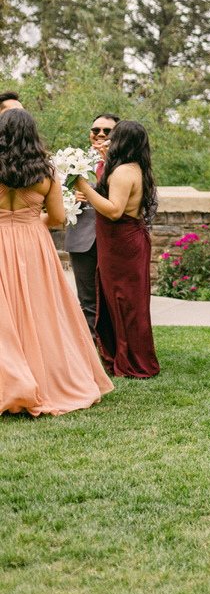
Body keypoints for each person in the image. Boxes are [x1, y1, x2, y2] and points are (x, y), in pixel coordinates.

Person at [0, 108, 114, 415]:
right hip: (33, 245)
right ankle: (44, 378)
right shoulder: (45, 171)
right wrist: (30, 220)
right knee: (39, 313)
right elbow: (59, 218)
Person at [76, 119, 159, 378]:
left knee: (125, 303)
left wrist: (85, 188)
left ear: (122, 140)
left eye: (114, 136)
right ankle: (126, 355)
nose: (106, 140)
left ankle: (133, 362)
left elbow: (113, 211)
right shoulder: (132, 167)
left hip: (122, 243)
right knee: (122, 301)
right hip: (120, 242)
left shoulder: (124, 172)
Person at [62, 112, 117, 332]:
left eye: (107, 131)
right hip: (82, 241)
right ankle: (91, 353)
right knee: (87, 302)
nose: (100, 134)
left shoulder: (125, 164)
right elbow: (53, 194)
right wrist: (68, 197)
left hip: (114, 240)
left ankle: (116, 352)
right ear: (90, 134)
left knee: (114, 301)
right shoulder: (74, 161)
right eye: (96, 130)